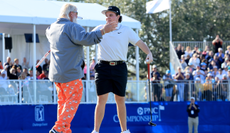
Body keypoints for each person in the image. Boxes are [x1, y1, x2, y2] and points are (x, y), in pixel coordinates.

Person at [46, 4, 117, 133]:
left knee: (63, 103)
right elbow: (87, 39)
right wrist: (103, 31)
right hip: (70, 73)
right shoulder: (72, 27)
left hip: (56, 73)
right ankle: (58, 128)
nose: (77, 16)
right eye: (77, 14)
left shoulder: (51, 28)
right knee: (74, 97)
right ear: (72, 14)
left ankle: (63, 130)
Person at [91, 6, 153, 133]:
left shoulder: (126, 30)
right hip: (103, 67)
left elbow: (140, 43)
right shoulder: (99, 29)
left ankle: (124, 131)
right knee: (101, 99)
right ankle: (96, 131)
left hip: (120, 67)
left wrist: (149, 53)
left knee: (120, 99)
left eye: (111, 15)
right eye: (106, 15)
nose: (108, 17)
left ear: (118, 17)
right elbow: (86, 38)